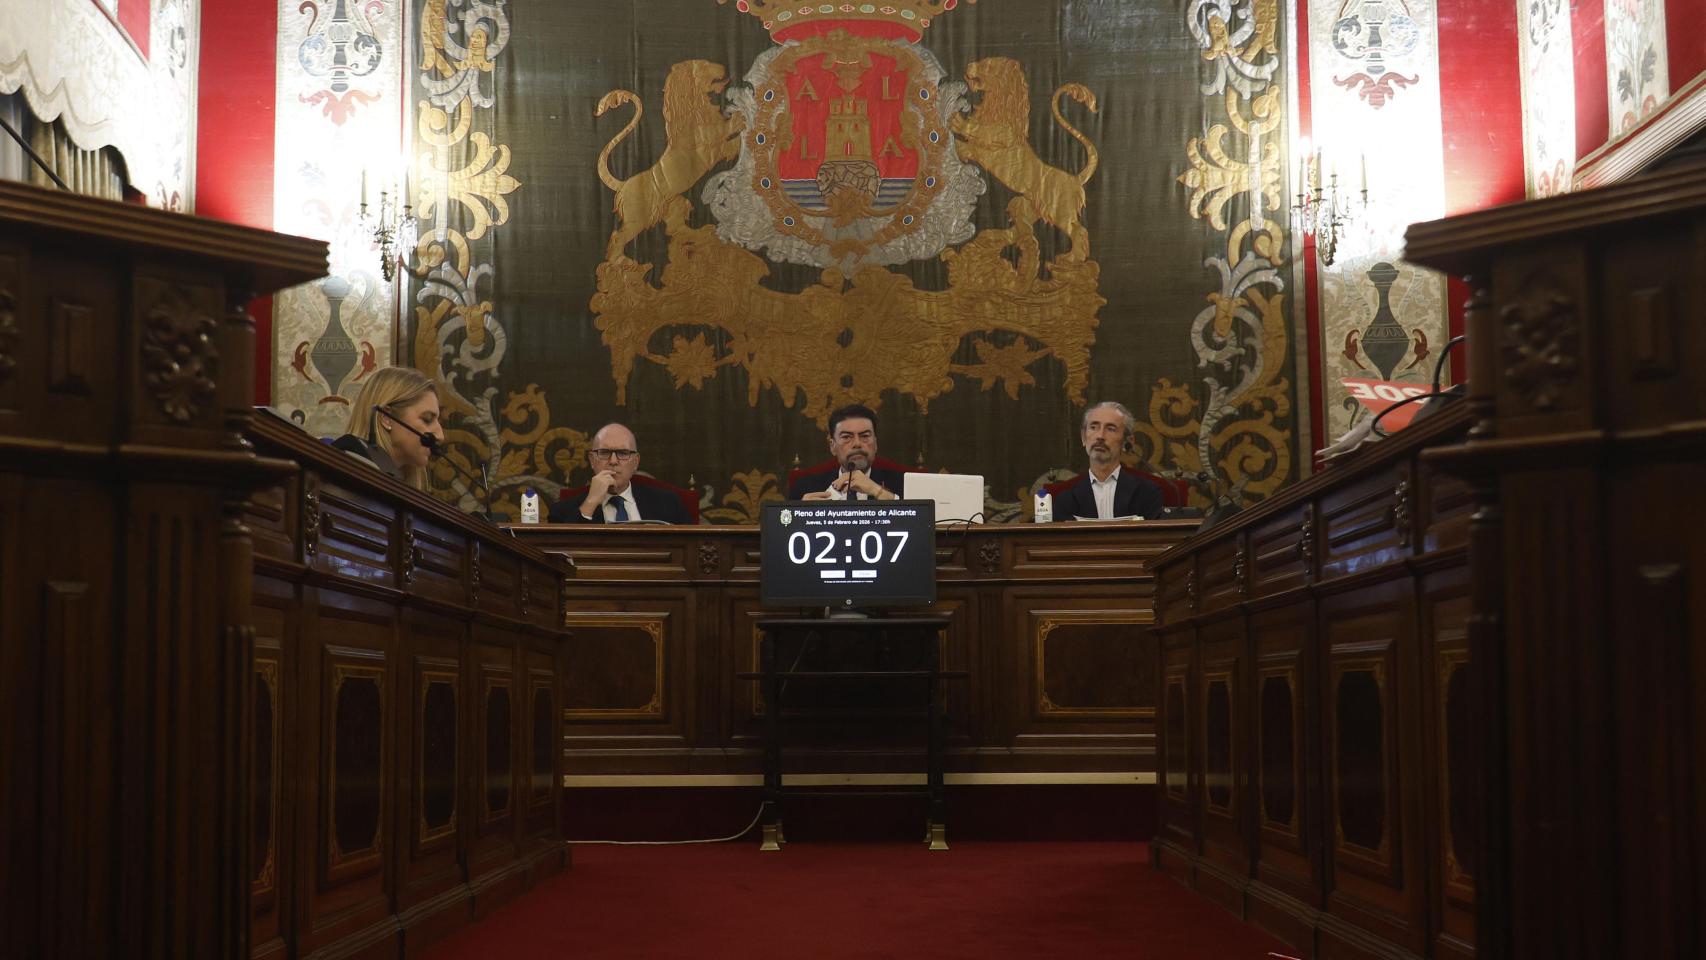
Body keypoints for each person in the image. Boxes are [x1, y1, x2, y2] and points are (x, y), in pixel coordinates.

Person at [548, 422, 691, 524]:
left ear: (635, 462)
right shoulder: (562, 512)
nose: (613, 461)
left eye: (623, 453)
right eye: (604, 453)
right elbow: (565, 556)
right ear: (592, 460)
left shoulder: (669, 504)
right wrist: (591, 503)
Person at [333, 366, 444, 491]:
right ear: (386, 418)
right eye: (427, 419)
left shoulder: (403, 488)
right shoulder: (341, 470)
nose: (440, 436)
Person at [1051, 401, 1164, 521]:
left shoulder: (1147, 493)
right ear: (1084, 437)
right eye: (1094, 427)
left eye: (1110, 429)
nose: (1100, 436)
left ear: (1128, 442)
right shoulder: (1066, 497)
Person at [788, 403, 905, 501]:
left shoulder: (902, 484)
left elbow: (918, 523)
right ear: (832, 446)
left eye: (864, 436)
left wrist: (878, 491)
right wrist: (801, 513)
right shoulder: (807, 487)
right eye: (846, 437)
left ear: (875, 444)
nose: (857, 443)